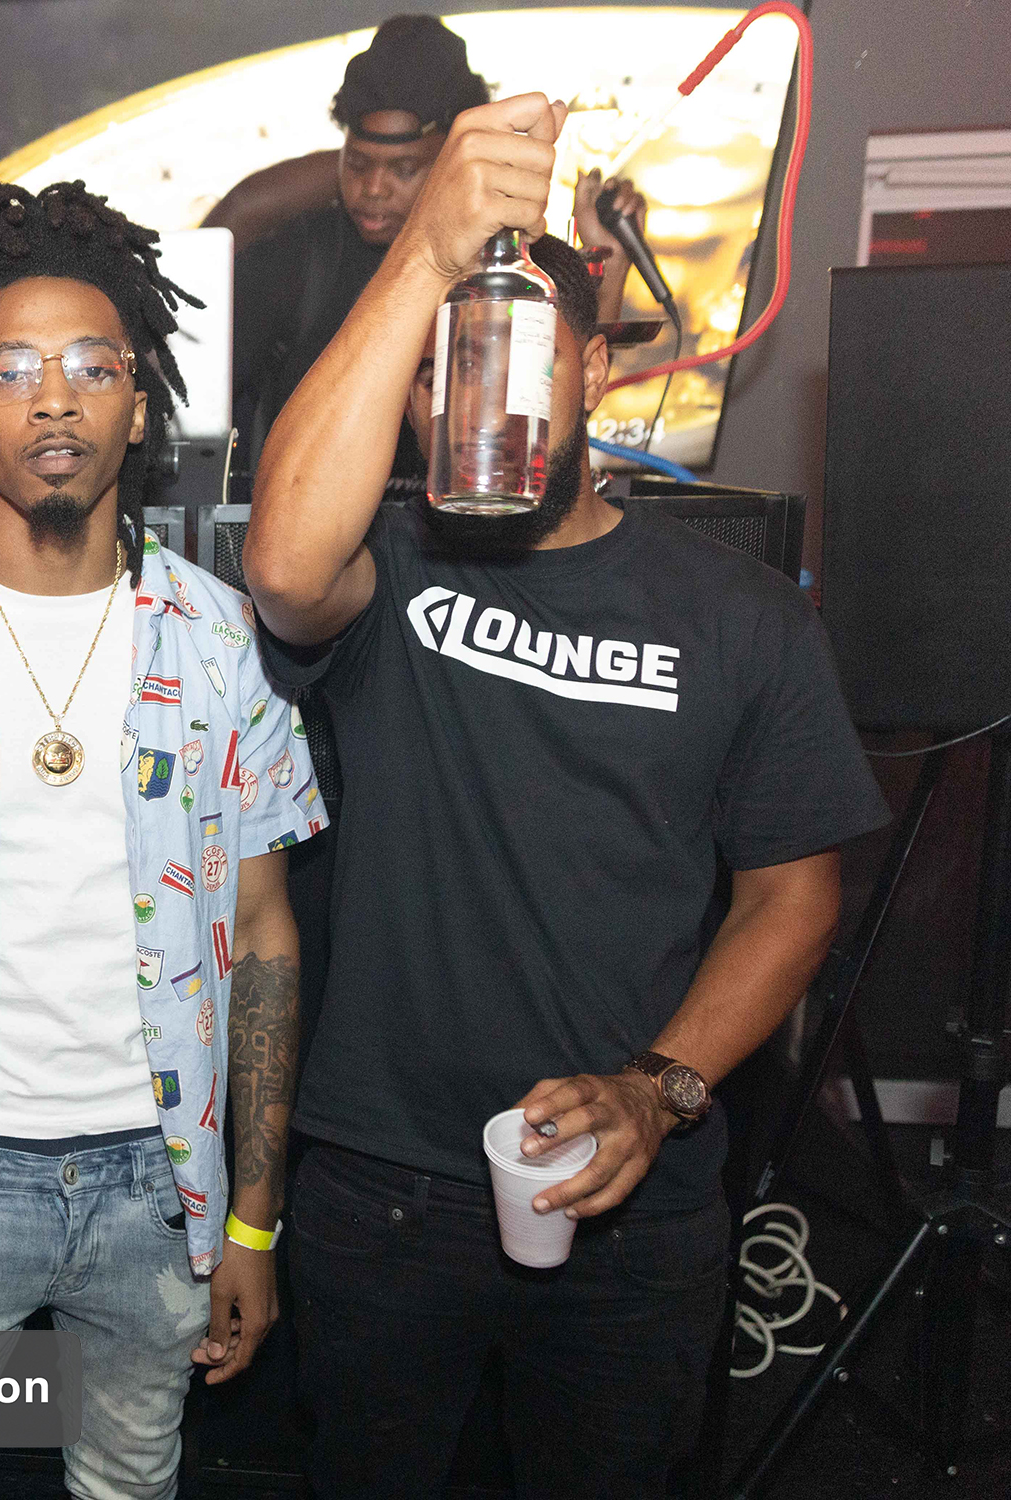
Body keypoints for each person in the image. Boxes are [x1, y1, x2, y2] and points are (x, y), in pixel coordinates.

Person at [241, 94, 888, 1498]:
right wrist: (427, 253)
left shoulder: (736, 615)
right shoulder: (391, 570)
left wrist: (659, 1090)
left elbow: (792, 899)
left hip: (629, 1200)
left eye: (520, 352)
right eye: (442, 368)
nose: (479, 395)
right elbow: (283, 567)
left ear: (594, 365)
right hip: (384, 1185)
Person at [0, 177, 322, 1500]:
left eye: (93, 367)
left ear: (139, 408)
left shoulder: (219, 636)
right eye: (13, 372)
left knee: (130, 1484)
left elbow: (265, 932)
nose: (53, 401)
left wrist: (253, 1217)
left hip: (161, 1182)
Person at [217, 15, 649, 476]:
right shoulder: (298, 257)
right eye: (357, 163)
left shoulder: (505, 262)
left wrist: (612, 265)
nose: (374, 188)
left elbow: (559, 417)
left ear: (454, 159)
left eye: (404, 169)